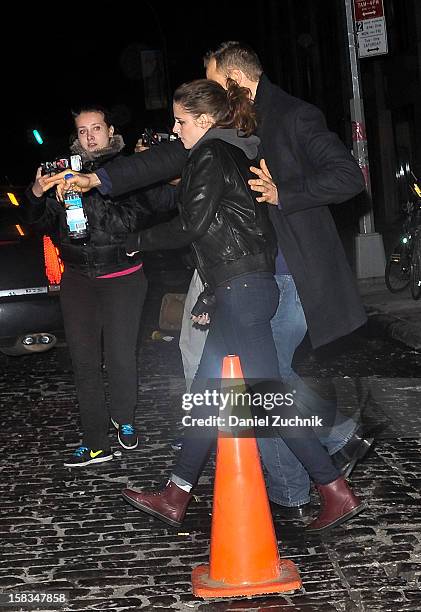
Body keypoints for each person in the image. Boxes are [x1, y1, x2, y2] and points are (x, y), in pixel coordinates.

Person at [43, 42, 372, 516]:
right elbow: (170, 161)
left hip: (283, 275)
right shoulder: (228, 132)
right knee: (211, 388)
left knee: (263, 388)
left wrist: (285, 193)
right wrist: (100, 181)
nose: (206, 92)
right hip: (238, 275)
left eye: (212, 80)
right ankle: (179, 492)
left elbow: (347, 177)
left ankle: (318, 486)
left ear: (233, 81)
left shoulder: (289, 117)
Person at [21, 105, 155, 467]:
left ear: (110, 131)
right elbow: (36, 223)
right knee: (84, 363)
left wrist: (84, 196)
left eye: (96, 128)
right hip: (78, 279)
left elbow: (130, 219)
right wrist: (37, 192)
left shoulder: (129, 170)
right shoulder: (63, 174)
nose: (90, 136)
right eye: (82, 131)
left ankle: (124, 419)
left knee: (120, 356)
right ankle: (95, 440)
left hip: (122, 278)